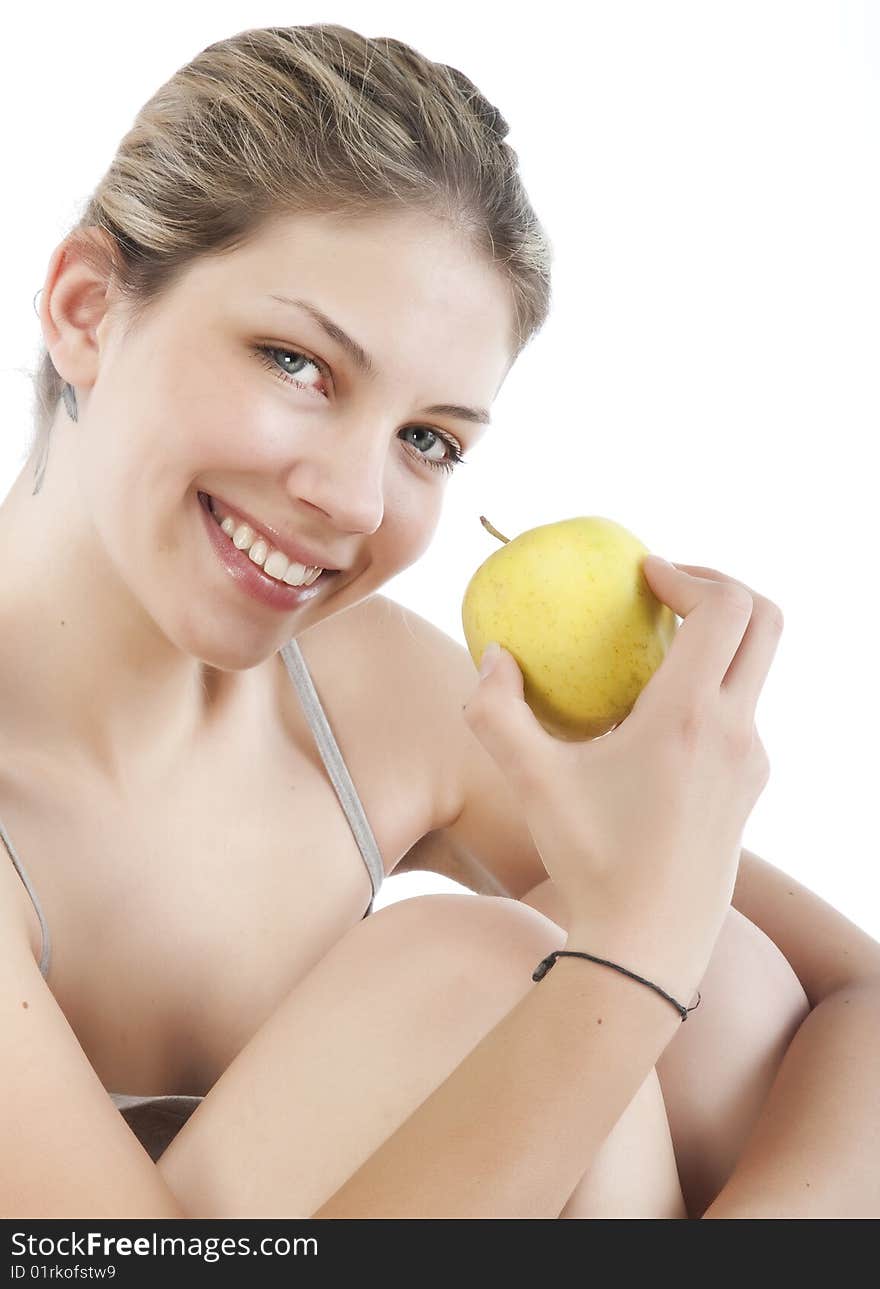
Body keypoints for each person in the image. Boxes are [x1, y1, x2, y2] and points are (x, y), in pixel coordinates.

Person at [2, 23, 877, 1221]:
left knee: (721, 975)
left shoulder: (362, 689)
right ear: (88, 308)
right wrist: (626, 956)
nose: (356, 502)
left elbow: (860, 996)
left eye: (428, 440)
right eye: (297, 362)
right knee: (483, 970)